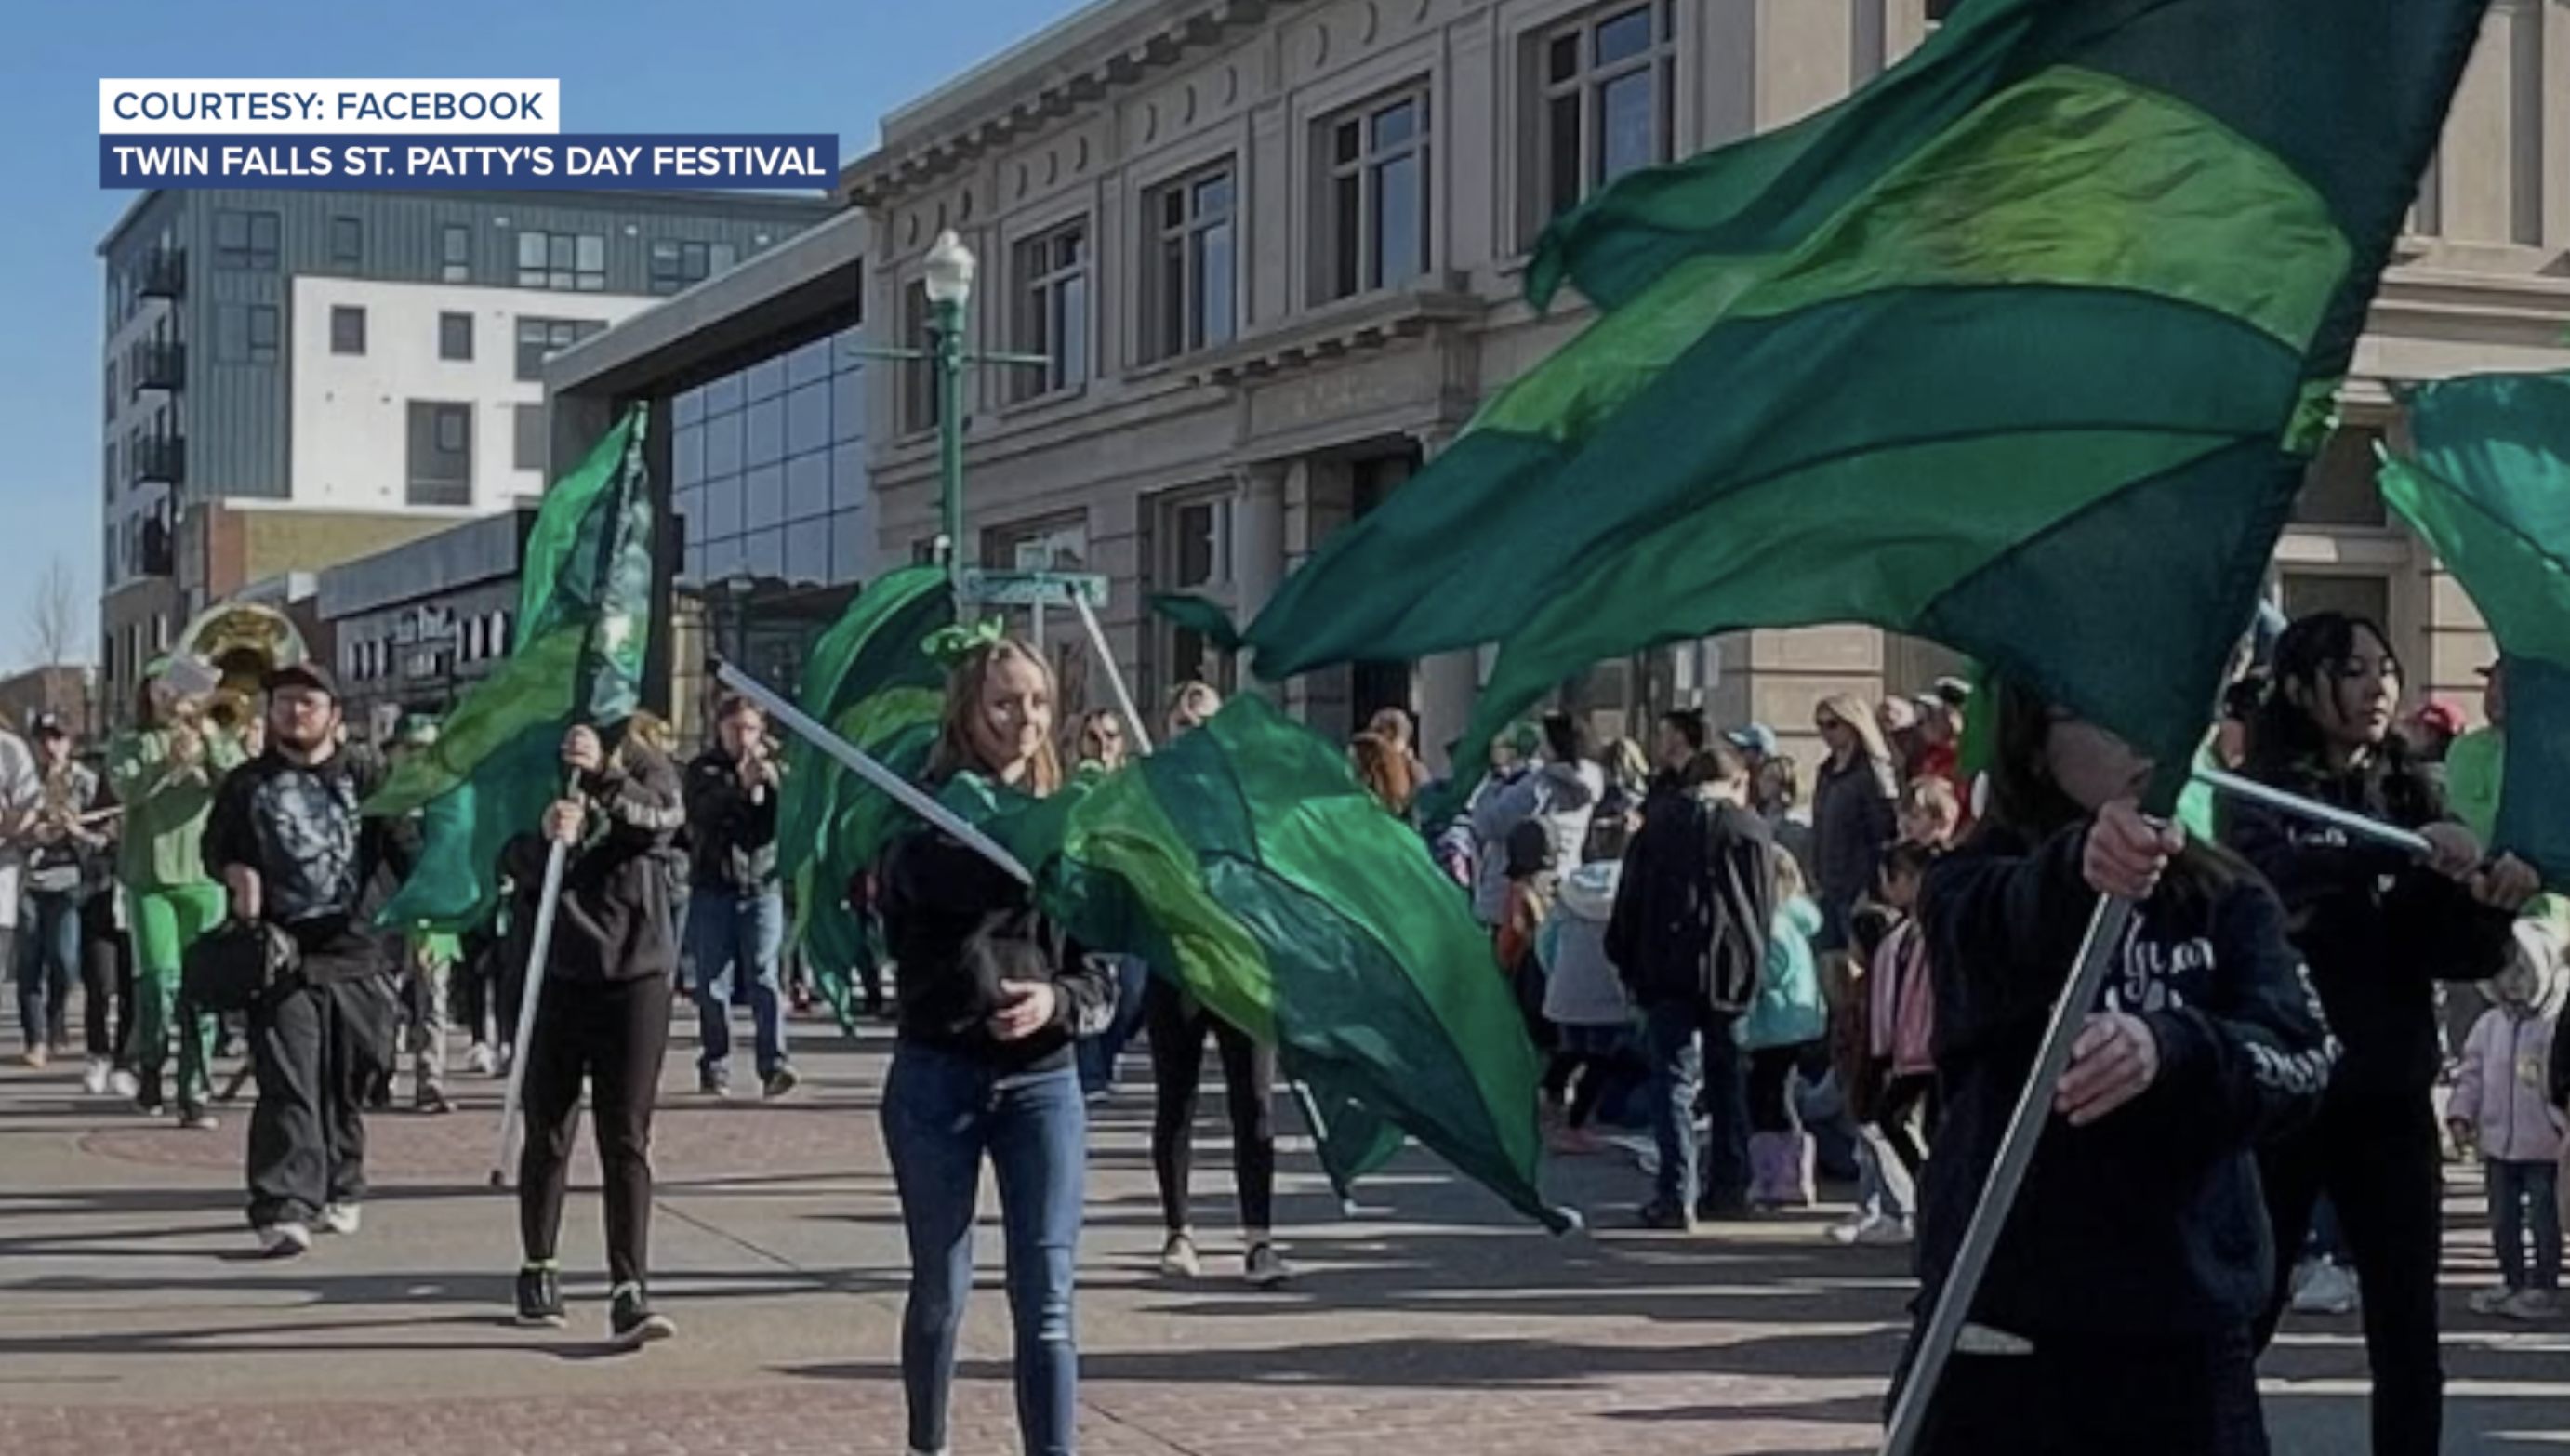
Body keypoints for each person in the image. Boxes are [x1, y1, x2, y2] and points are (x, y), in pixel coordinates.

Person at [1888, 677, 2334, 1455]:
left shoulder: (2225, 893)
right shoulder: (1970, 880)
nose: (2143, 743)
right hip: (2006, 1335)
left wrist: (2176, 1047)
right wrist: (2078, 871)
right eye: (2107, 713)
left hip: (2182, 1333)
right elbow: (1996, 937)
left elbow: (2300, 1057)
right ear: (2034, 737)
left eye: (2160, 714)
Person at [2224, 611, 2534, 1456]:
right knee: (2243, 1311)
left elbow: (2449, 955)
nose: (2377, 688)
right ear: (2298, 685)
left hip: (2388, 1094)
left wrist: (2485, 903)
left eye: (2384, 669)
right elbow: (2274, 895)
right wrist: (2395, 859)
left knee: (2407, 1328)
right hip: (2284, 1092)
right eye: (2351, 670)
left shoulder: (2410, 788)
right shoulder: (2260, 791)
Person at [876, 631, 1116, 1456]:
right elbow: (932, 893)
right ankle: (928, 1445)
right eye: (1006, 702)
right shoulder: (920, 814)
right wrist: (1036, 837)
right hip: (937, 1077)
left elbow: (1100, 978)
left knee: (1046, 1296)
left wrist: (1056, 998)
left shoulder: (1071, 824)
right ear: (969, 712)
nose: (1025, 719)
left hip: (1042, 1083)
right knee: (941, 1286)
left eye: (1038, 702)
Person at [201, 663, 394, 1257]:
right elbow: (216, 849)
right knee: (289, 1083)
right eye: (284, 702)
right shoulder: (246, 784)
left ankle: (342, 1178)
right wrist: (235, 873)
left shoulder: (370, 776)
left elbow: (409, 844)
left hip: (359, 951)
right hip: (280, 957)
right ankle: (283, 1204)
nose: (294, 712)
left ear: (334, 715)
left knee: (350, 1077)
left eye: (308, 702)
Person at [503, 721, 687, 1345]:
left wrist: (606, 778)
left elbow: (660, 822)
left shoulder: (649, 768)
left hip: (634, 972)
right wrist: (542, 839)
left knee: (626, 1136)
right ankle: (539, 1263)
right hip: (553, 970)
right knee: (549, 1131)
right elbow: (500, 855)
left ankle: (629, 1287)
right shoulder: (532, 763)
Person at [1146, 682, 1291, 1288]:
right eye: (1183, 723)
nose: (1193, 733)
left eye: (1205, 724)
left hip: (1239, 966)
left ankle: (1259, 1239)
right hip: (1177, 963)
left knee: (1253, 1103)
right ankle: (1179, 1231)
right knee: (1175, 1099)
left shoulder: (1249, 800)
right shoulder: (1149, 794)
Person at [1609, 743, 1775, 1228]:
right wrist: (1754, 964)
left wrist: (1626, 958)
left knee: (1674, 1080)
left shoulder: (1658, 825)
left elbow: (1631, 899)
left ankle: (1676, 1191)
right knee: (1728, 1077)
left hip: (1667, 964)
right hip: (1730, 967)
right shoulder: (1749, 829)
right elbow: (1763, 908)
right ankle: (1729, 1185)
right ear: (1737, 782)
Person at [108, 662, 244, 1126]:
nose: (172, 697)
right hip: (150, 878)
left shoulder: (211, 731)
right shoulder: (130, 740)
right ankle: (150, 1069)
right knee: (160, 986)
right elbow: (126, 789)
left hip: (204, 877)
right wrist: (167, 763)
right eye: (163, 688)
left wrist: (208, 742)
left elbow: (238, 782)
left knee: (202, 989)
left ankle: (195, 1090)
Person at [2447, 920, 2564, 1321]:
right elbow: (2471, 1073)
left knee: (2545, 1219)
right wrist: (2461, 1113)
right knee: (2503, 1218)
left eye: (2523, 972)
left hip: (2546, 1144)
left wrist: (2558, 1122)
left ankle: (2544, 1284)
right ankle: (2512, 1278)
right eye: (2505, 972)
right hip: (2498, 1144)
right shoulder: (2488, 1026)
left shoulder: (2553, 1027)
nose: (2513, 983)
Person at [682, 694, 794, 1100]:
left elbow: (780, 826)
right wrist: (738, 788)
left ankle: (774, 1064)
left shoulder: (774, 769)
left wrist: (775, 788)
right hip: (715, 885)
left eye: (750, 729)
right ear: (720, 729)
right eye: (736, 729)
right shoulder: (703, 770)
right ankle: (716, 1063)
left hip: (761, 886)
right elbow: (702, 816)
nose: (743, 738)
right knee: (713, 982)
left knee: (765, 976)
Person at [1068, 709, 1148, 1101]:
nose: (1102, 746)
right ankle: (1091, 1073)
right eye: (1093, 737)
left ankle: (1109, 1049)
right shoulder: (1071, 792)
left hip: (1129, 911)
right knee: (1090, 983)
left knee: (1133, 996)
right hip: (1087, 911)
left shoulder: (1137, 791)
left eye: (1110, 737)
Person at [1741, 850, 1825, 1210]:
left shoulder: (1772, 924)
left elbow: (1772, 971)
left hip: (1775, 1023)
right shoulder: (1794, 920)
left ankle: (1784, 1175)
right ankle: (1776, 1174)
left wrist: (1743, 980)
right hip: (1792, 1021)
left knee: (1774, 1096)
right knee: (1773, 1094)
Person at [18, 713, 103, 1069]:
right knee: (29, 963)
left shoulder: (86, 781)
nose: (50, 747)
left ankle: (55, 1021)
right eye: (43, 739)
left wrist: (77, 832)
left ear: (70, 743)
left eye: (57, 739)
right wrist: (27, 831)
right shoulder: (23, 780)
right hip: (27, 879)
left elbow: (104, 836)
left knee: (64, 961)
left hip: (69, 880)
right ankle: (36, 1039)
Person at [1811, 695, 1899, 951]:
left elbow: (1883, 832)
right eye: (1820, 725)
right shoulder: (1826, 772)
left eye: (1832, 724)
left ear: (1853, 724)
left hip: (1859, 887)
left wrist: (1872, 886)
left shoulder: (1871, 772)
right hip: (1828, 885)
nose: (1825, 732)